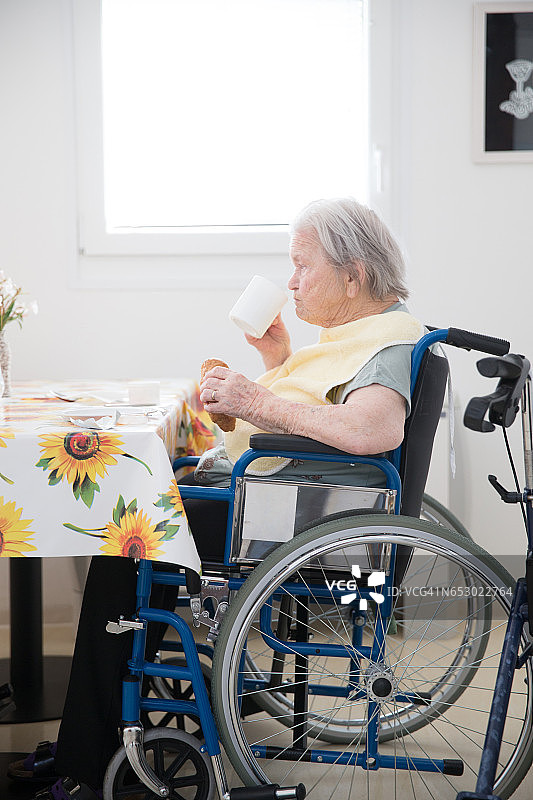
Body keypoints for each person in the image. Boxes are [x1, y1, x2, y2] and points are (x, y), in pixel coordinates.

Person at [10, 198, 424, 799]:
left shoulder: (387, 343)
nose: (291, 281)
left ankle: (83, 756)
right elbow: (329, 409)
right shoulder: (360, 335)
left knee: (129, 532)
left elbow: (370, 431)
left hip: (295, 520)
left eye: (302, 266)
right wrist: (276, 362)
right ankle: (89, 736)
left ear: (353, 275)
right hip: (280, 499)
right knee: (136, 512)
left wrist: (255, 400)